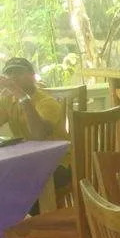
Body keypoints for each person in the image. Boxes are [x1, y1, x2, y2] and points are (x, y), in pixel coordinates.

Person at [0, 56, 71, 189]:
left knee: (11, 185)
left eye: (19, 72)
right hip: (28, 160)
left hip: (57, 163)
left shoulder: (47, 102)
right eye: (9, 73)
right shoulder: (7, 100)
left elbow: (39, 135)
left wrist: (22, 96)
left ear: (33, 76)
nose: (13, 77)